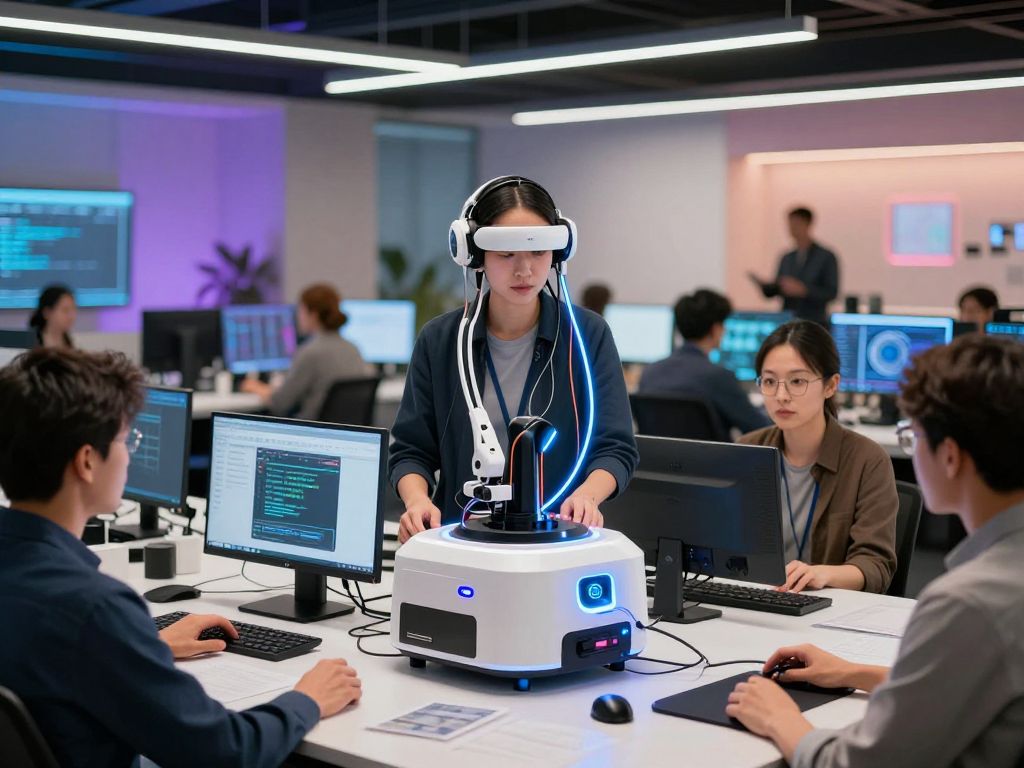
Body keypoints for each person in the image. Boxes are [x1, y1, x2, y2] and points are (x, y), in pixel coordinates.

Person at [0, 347, 362, 768]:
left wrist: (143, 648)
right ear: (86, 461)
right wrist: (308, 699)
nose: (130, 453)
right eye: (125, 439)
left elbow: (50, 658)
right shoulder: (95, 607)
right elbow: (226, 752)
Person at [727, 334, 1024, 768]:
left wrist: (780, 719)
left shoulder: (968, 604)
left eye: (912, 436)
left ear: (951, 457)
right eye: (769, 382)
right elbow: (959, 683)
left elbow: (858, 763)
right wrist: (852, 672)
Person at [390, 177, 638, 543]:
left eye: (538, 252)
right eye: (507, 254)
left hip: (556, 539)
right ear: (474, 256)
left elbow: (615, 449)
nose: (524, 270)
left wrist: (587, 495)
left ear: (558, 253)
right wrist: (417, 501)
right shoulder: (441, 340)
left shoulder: (587, 336)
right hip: (460, 540)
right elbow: (411, 450)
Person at [738, 320, 897, 593]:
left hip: (828, 611)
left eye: (797, 381)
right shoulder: (748, 451)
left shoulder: (867, 460)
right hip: (758, 603)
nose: (781, 395)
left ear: (830, 385)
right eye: (769, 381)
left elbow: (875, 566)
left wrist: (821, 574)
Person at [638, 288, 770, 435]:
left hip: (659, 457)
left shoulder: (650, 373)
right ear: (716, 329)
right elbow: (759, 428)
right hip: (713, 458)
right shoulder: (718, 377)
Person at [242, 283, 370, 420]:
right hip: (348, 432)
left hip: (311, 432)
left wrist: (255, 387)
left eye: (301, 310)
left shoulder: (310, 352)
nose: (298, 316)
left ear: (313, 315)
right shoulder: (353, 349)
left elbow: (280, 403)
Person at [750, 207, 839, 325]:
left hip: (814, 322)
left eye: (796, 223)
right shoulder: (786, 257)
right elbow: (777, 290)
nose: (792, 228)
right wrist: (766, 286)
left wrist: (804, 290)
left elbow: (831, 292)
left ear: (808, 224)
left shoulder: (826, 257)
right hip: (788, 321)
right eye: (790, 224)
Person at [30, 283, 76, 349]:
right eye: (65, 310)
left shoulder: (70, 343)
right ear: (47, 312)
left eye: (73, 309)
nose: (71, 316)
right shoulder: (32, 344)